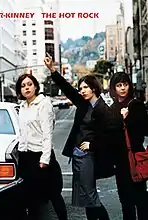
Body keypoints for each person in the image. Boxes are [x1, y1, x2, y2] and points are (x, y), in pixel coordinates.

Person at [44, 53, 113, 220]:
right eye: (80, 88)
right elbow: (67, 89)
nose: (81, 91)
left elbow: (109, 134)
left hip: (91, 157)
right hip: (78, 156)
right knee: (85, 197)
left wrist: (92, 145)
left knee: (90, 195)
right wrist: (53, 70)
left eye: (85, 88)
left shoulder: (102, 109)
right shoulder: (83, 103)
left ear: (94, 88)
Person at [15, 73, 67, 220]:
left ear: (36, 86)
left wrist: (45, 159)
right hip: (26, 156)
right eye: (23, 86)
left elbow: (47, 133)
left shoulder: (43, 104)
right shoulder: (23, 106)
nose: (27, 88)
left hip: (41, 157)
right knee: (30, 198)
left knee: (53, 194)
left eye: (29, 84)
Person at [109, 72, 148, 220]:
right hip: (120, 160)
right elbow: (110, 134)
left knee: (141, 198)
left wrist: (127, 119)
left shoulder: (136, 105)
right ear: (114, 88)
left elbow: (143, 130)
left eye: (125, 84)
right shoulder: (113, 108)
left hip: (136, 157)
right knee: (125, 200)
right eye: (119, 85)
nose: (123, 88)